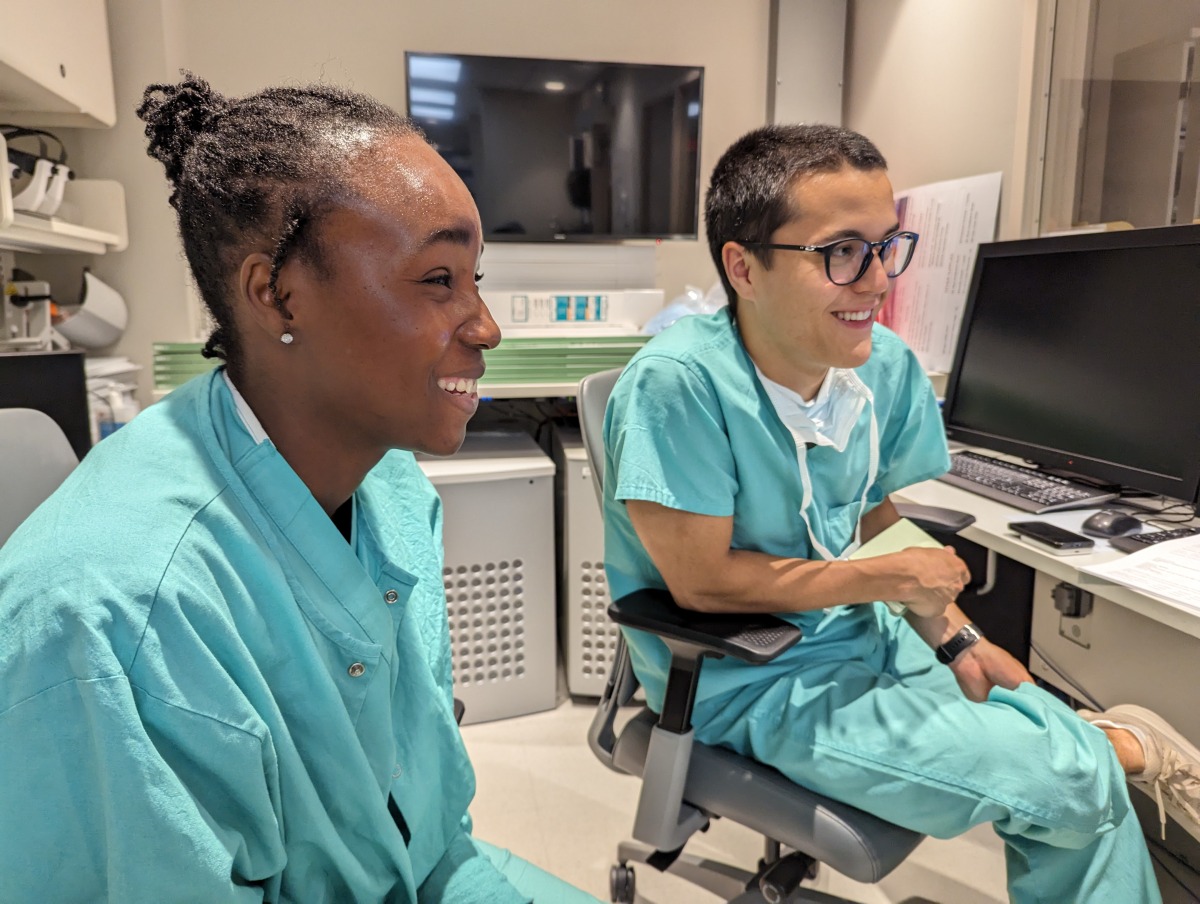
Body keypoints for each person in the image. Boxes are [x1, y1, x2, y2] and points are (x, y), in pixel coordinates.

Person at [0, 74, 600, 904]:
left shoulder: (384, 480)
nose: (486, 326)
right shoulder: (113, 621)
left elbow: (423, 830)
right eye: (438, 280)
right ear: (277, 293)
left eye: (477, 280)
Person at [601, 123, 1200, 903]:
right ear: (742, 267)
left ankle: (1100, 751)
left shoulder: (880, 365)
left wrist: (956, 635)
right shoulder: (678, 386)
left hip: (864, 629)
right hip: (744, 673)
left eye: (888, 246)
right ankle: (1119, 745)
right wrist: (889, 579)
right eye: (841, 252)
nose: (879, 280)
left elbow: (872, 512)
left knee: (1064, 777)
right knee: (1074, 783)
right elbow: (705, 584)